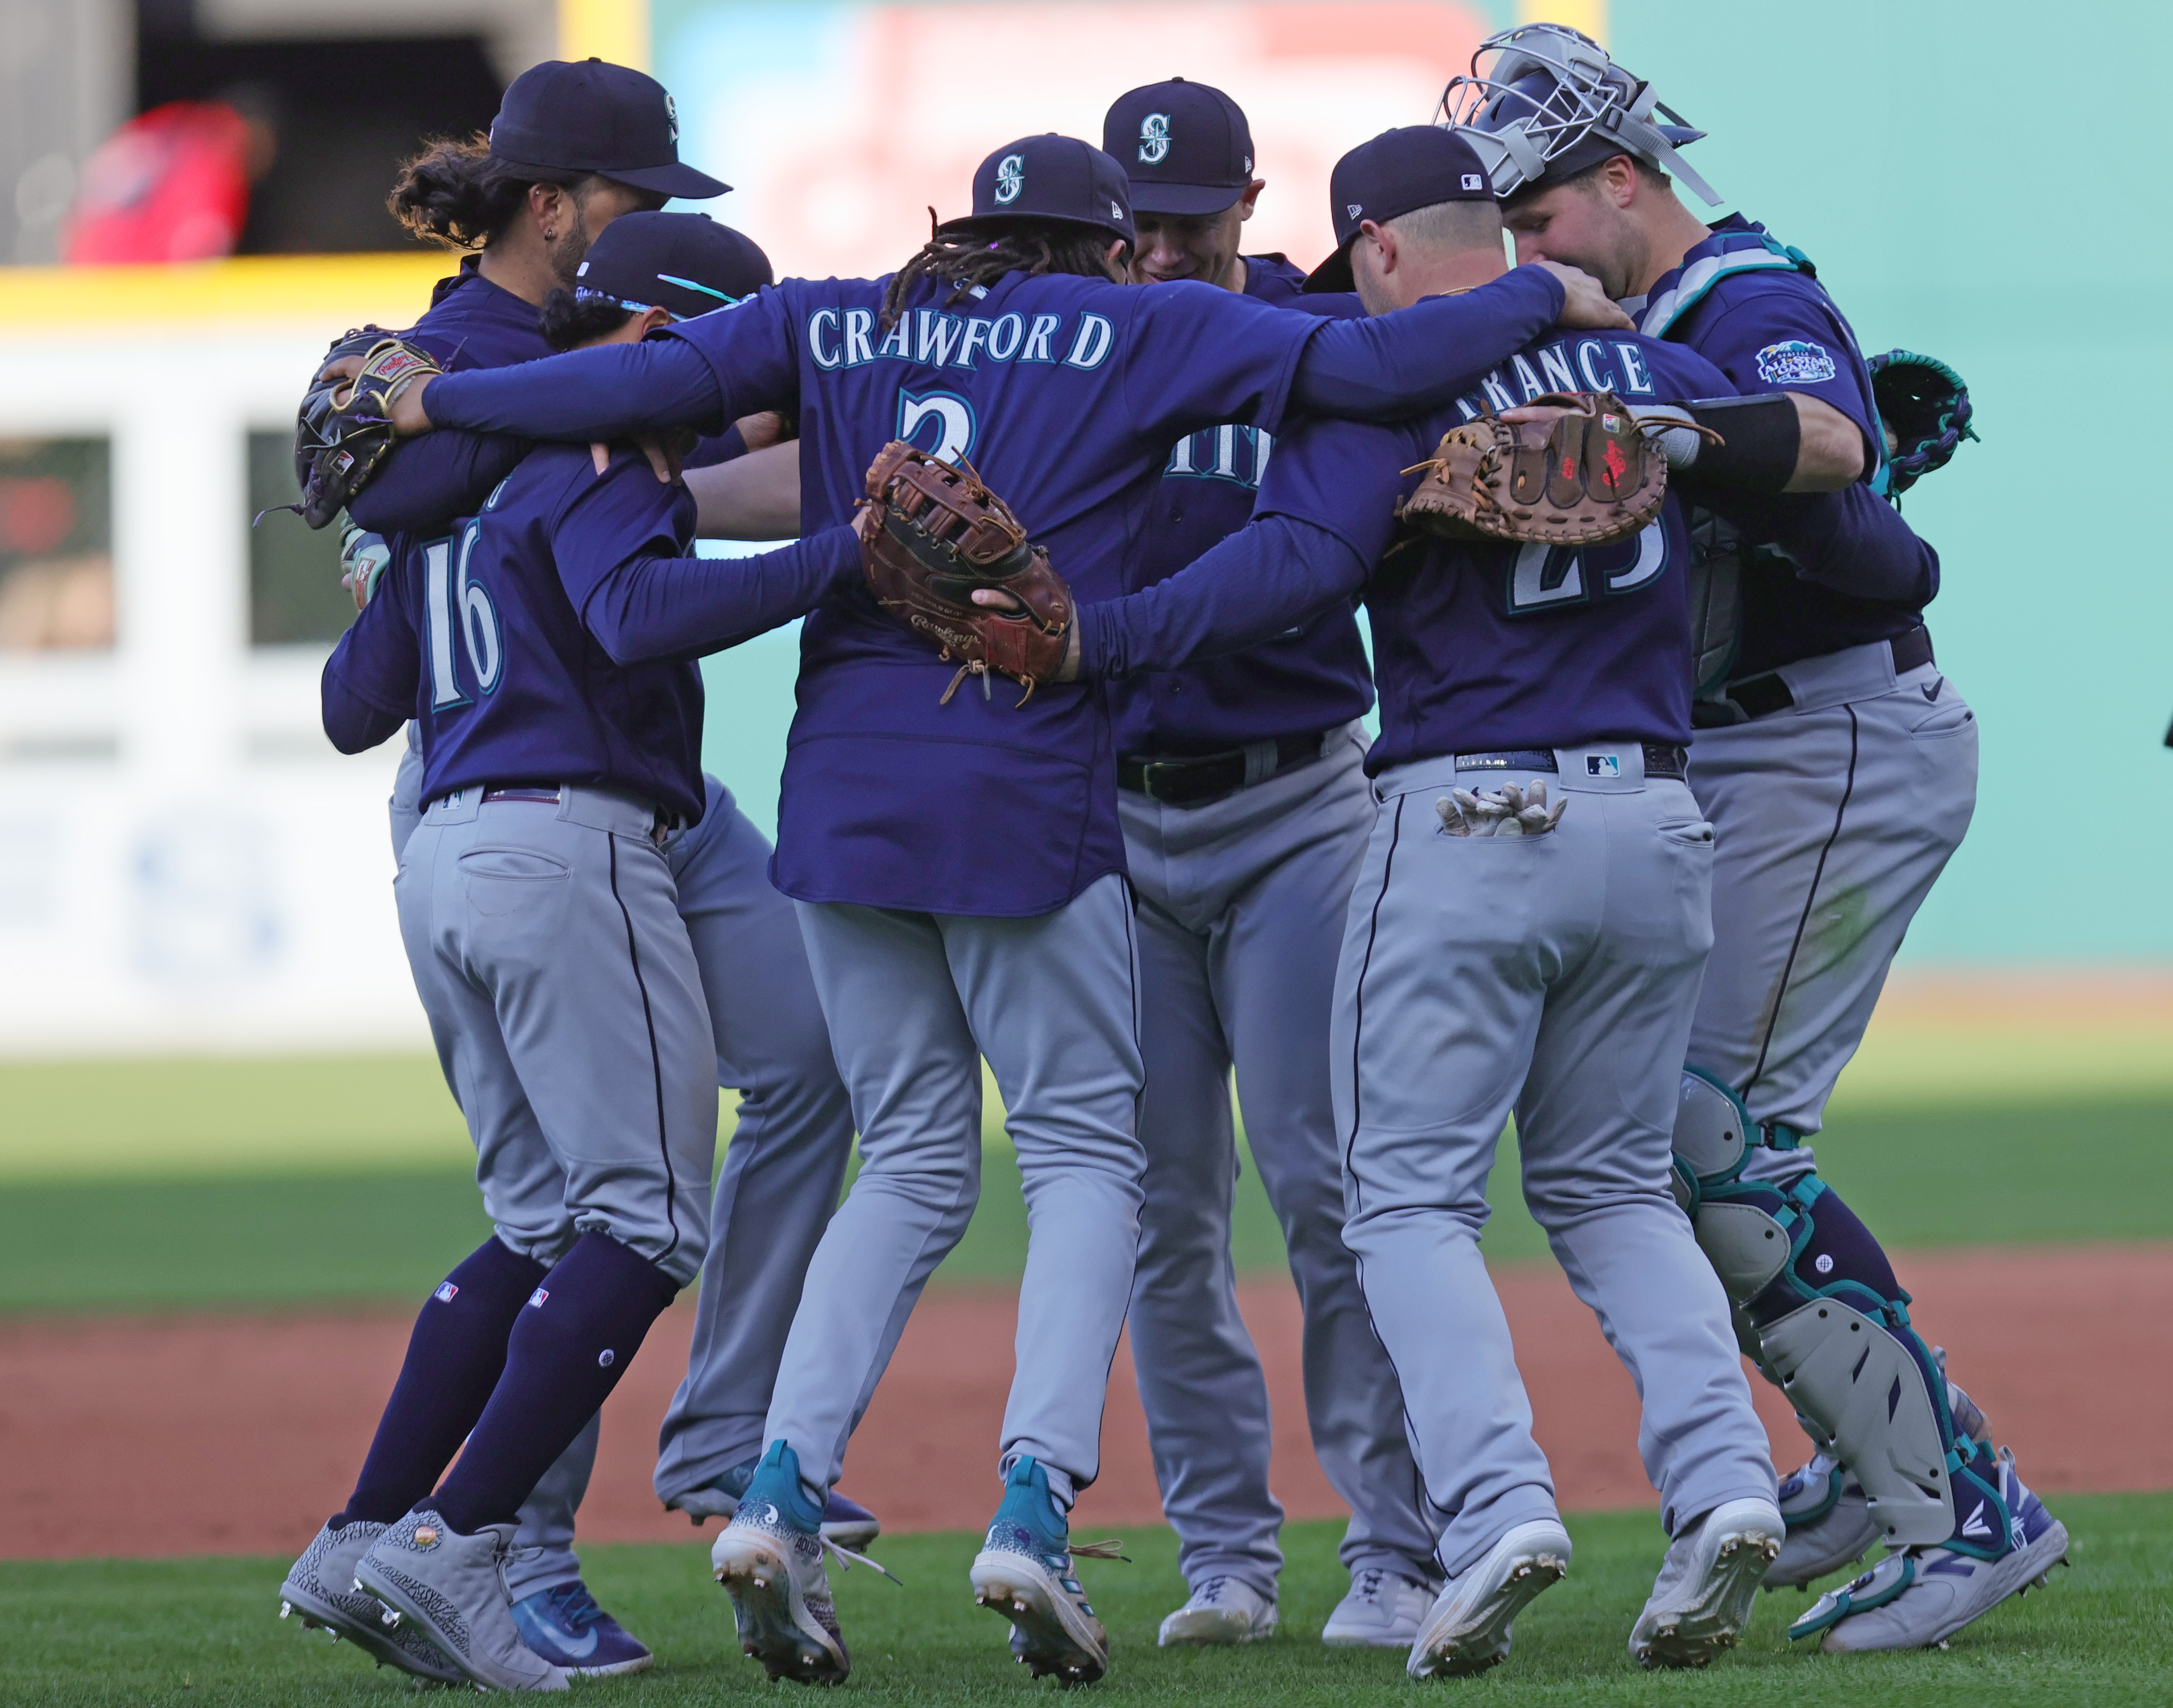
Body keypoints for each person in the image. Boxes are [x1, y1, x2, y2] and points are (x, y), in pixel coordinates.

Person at [384, 130, 1634, 1686]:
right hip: (1023, 780)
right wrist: (1550, 295)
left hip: (841, 796)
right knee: (1083, 1158)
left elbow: (624, 393)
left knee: (902, 1158)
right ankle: (1032, 1507)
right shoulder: (1142, 321)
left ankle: (774, 1488)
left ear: (967, 230)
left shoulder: (836, 313)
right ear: (1108, 245)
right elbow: (1390, 371)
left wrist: (436, 397)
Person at [1057, 126, 1961, 1677]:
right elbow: (1890, 554)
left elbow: (1284, 576)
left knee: (1402, 1197)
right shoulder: (1649, 375)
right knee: (1610, 1193)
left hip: (1464, 818)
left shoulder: (1389, 381)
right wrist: (1705, 446)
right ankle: (1725, 1488)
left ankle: (1494, 1513)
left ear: (1380, 251)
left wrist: (1098, 636)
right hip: (1659, 825)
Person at [1451, 22, 2067, 1651]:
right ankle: (1874, 1470)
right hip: (1768, 738)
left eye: (1542, 219)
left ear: (1617, 179)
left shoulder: (1739, 294)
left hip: (1831, 735)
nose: (1530, 252)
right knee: (1677, 1136)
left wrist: (1679, 438)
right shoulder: (1662, 310)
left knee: (1710, 1136)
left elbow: (1832, 443)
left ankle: (1962, 1508)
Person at [282, 66, 869, 1681]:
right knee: (628, 1218)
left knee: (724, 1120)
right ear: (557, 207)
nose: (658, 218)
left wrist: (400, 561)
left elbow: (352, 697)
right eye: (636, 196)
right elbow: (626, 602)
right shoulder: (512, 392)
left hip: (525, 807)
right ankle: (481, 1547)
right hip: (562, 814)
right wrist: (846, 560)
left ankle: (387, 1528)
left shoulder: (542, 413)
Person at [1097, 77, 1439, 1650]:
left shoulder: (1310, 342)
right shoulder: (1072, 344)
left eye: (1189, 219)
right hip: (1115, 822)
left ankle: (1394, 1548)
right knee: (1162, 1211)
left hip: (1298, 805)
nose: (1160, 246)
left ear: (1249, 210)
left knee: (1325, 1184)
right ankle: (1223, 1557)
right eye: (1136, 221)